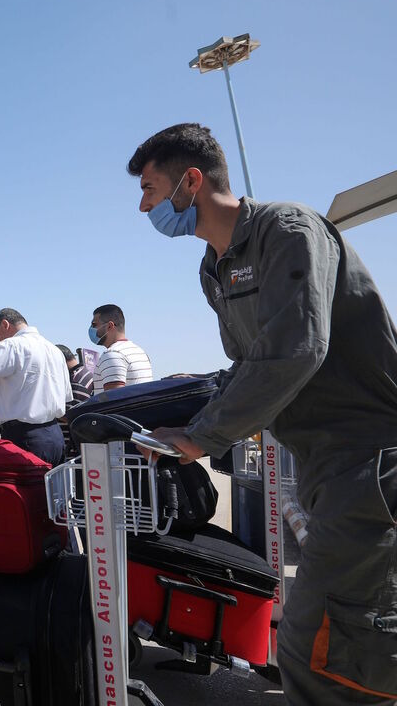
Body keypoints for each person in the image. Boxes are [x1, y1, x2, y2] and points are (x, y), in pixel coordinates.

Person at [127, 122, 397, 705]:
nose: (143, 205)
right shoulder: (213, 268)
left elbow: (295, 350)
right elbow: (249, 366)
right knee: (342, 651)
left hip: (371, 464)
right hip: (325, 467)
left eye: (150, 189)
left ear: (191, 181)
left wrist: (201, 436)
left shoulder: (288, 230)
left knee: (330, 659)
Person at [0, 309, 71, 465]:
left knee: (27, 489)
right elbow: (66, 396)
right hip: (54, 434)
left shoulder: (12, 346)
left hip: (25, 437)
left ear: (5, 324)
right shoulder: (54, 350)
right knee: (55, 489)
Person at [89, 303, 153, 394]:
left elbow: (114, 400)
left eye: (94, 324)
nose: (91, 328)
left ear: (110, 326)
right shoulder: (140, 352)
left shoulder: (112, 355)